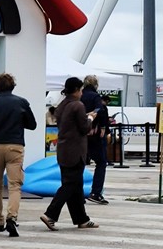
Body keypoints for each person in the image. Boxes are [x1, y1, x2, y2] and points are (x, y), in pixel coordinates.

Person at [0, 72, 37, 237]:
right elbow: (32, 125)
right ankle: (12, 217)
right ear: (13, 86)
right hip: (15, 146)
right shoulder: (21, 102)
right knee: (15, 186)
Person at [40, 76, 100, 231]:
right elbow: (84, 128)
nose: (81, 93)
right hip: (76, 152)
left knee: (76, 186)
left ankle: (82, 219)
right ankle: (50, 214)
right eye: (80, 90)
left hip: (63, 150)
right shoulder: (78, 105)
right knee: (70, 185)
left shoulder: (61, 105)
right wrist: (90, 117)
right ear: (75, 90)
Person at [81, 75, 110, 205]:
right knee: (101, 162)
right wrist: (103, 126)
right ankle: (96, 192)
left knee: (80, 163)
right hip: (94, 134)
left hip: (80, 134)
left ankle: (77, 193)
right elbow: (100, 109)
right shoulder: (95, 96)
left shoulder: (79, 95)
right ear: (95, 84)